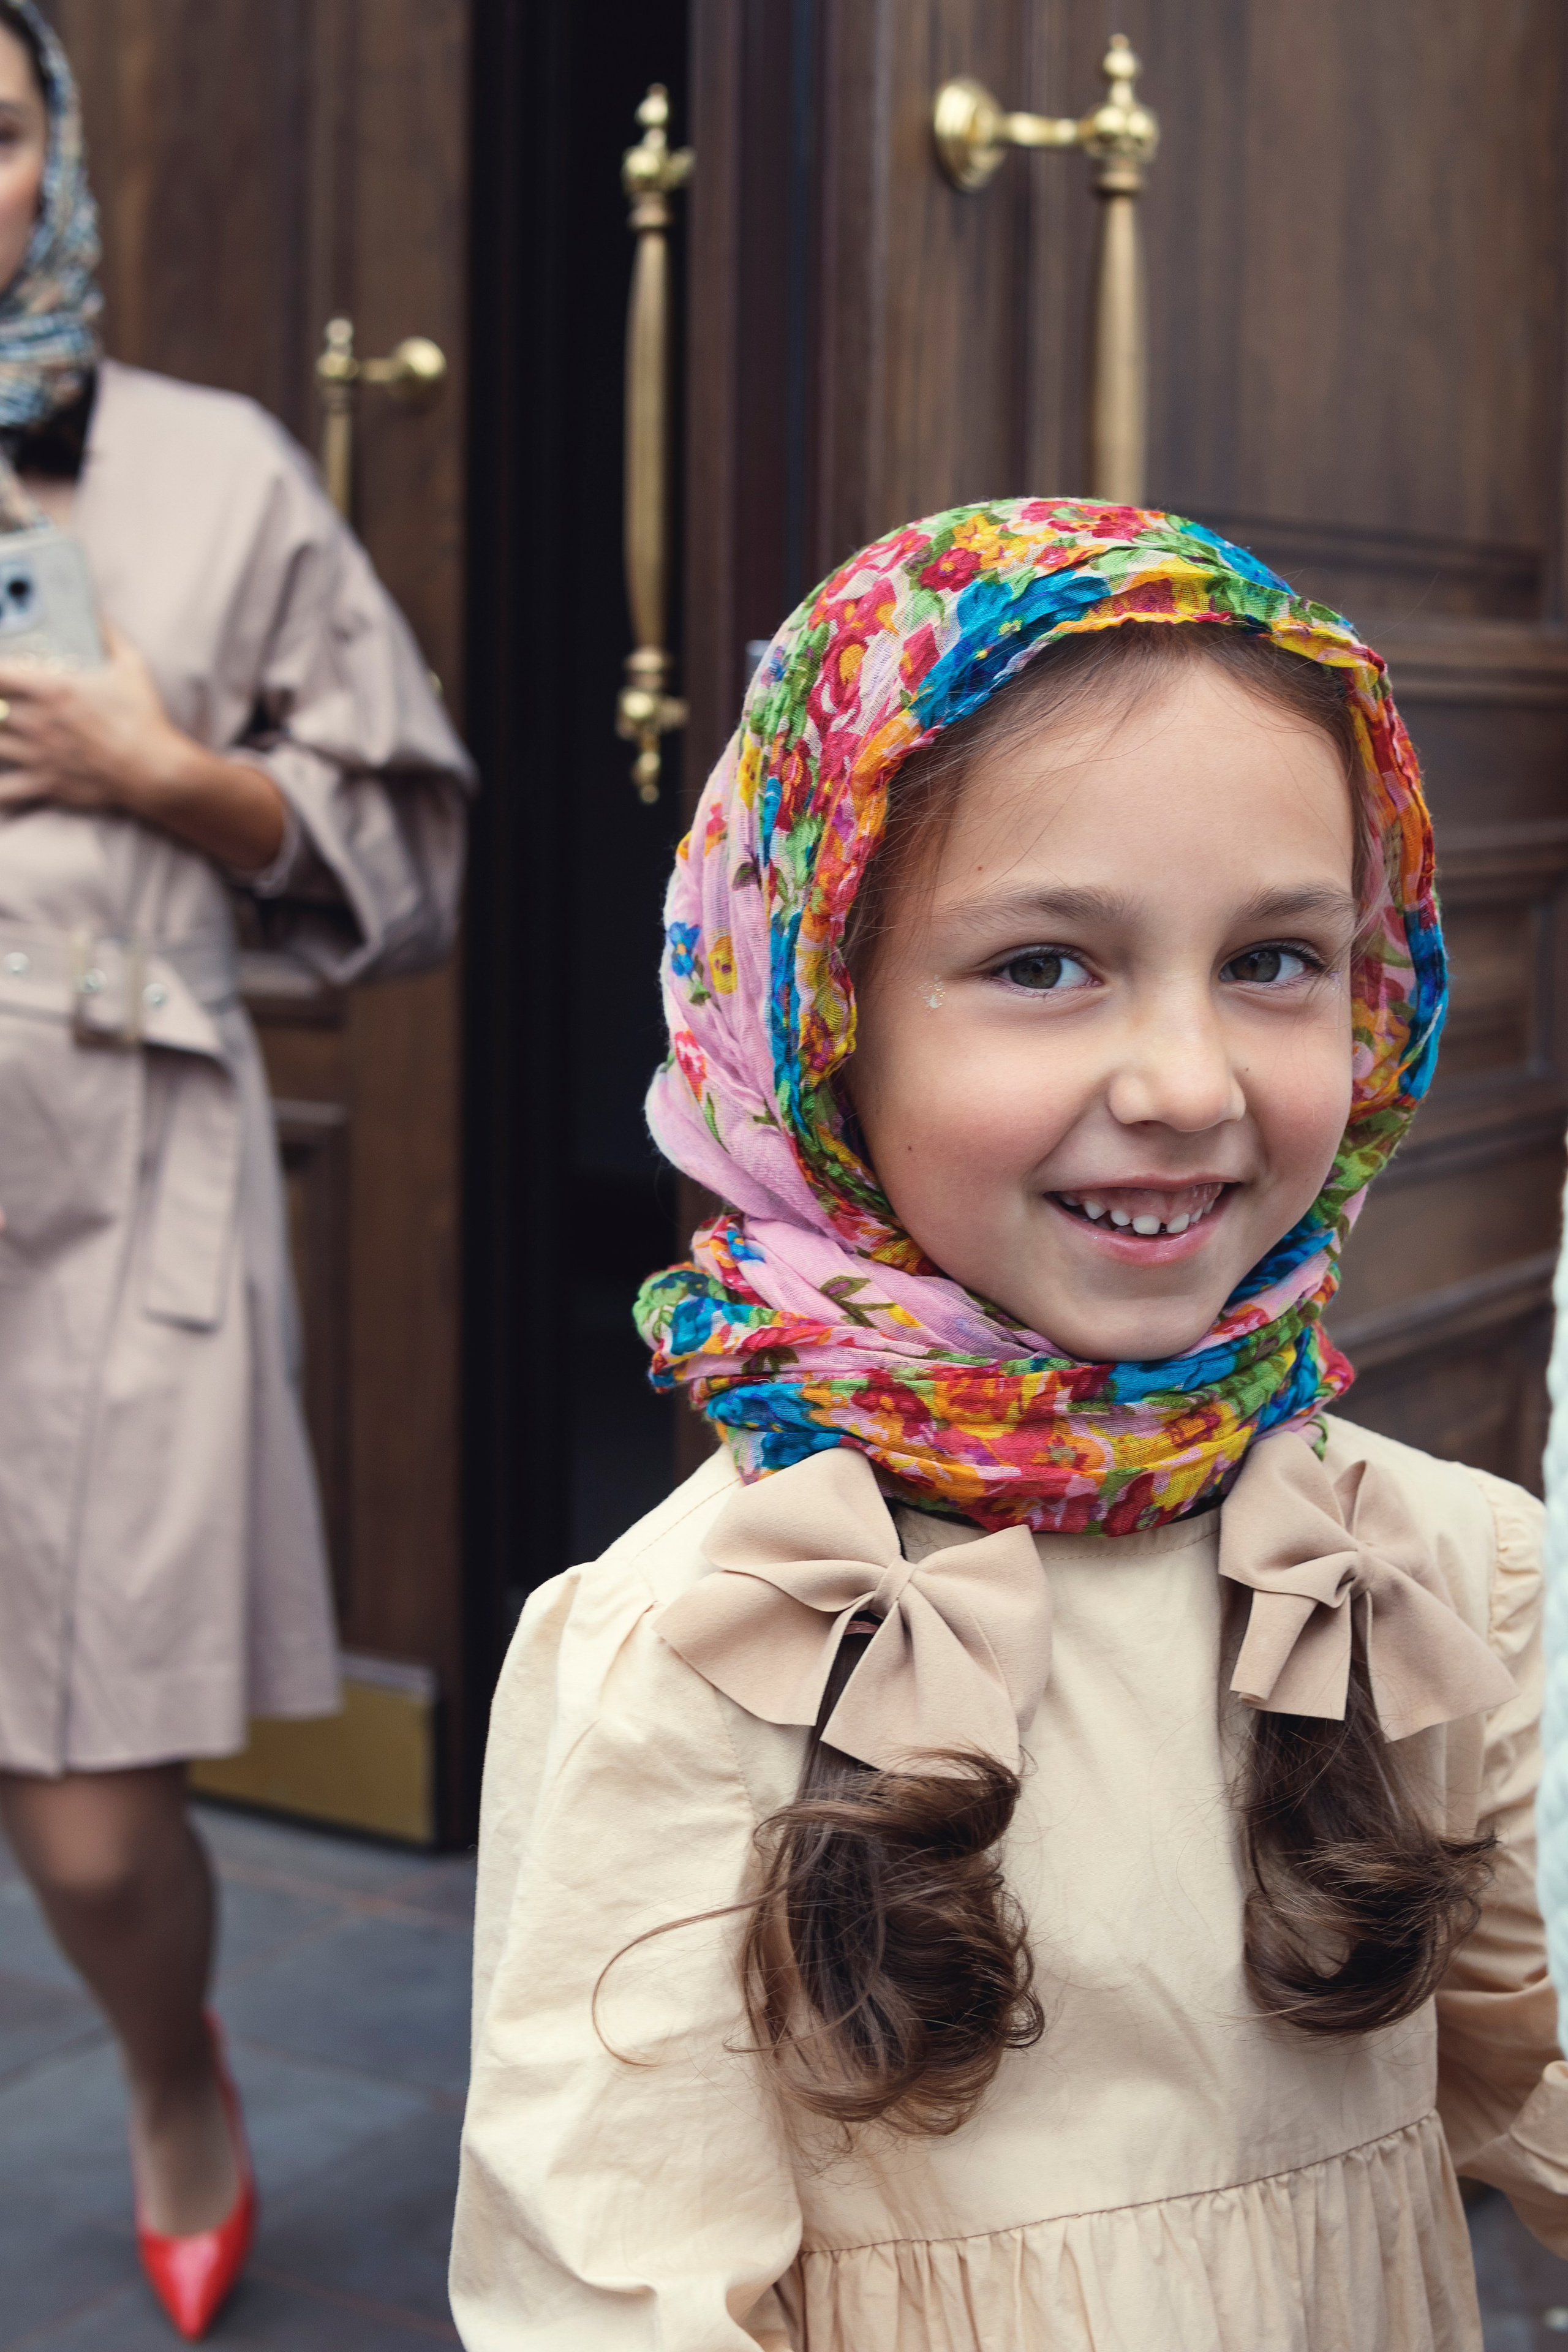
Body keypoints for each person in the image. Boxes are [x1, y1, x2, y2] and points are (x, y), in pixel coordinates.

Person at [450, 499, 1568, 2351]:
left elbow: (1527, 2062)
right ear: (815, 1021)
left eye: (1279, 961)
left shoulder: (1440, 1568)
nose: (1188, 1080)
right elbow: (613, 2300)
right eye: (1047, 964)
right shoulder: (697, 1653)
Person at [0, 4, 473, 2339]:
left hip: (114, 1182)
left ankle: (173, 2073)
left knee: (88, 1814)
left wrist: (163, 766)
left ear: (51, 162)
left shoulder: (213, 470)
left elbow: (405, 851)